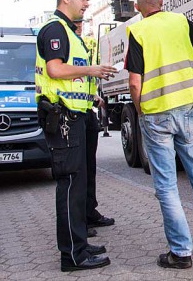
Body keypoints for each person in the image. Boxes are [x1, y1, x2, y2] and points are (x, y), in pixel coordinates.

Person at [125, 0, 193, 269]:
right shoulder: (181, 22)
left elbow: (134, 81)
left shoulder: (138, 31)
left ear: (137, 8)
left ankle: (181, 253)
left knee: (167, 185)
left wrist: (142, 112)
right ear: (162, 0)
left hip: (156, 115)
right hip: (188, 111)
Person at [35, 0, 117, 272]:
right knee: (70, 185)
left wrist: (90, 93)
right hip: (63, 118)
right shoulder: (55, 29)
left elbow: (70, 76)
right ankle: (72, 256)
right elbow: (55, 69)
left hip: (74, 116)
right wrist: (92, 69)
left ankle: (79, 244)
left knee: (77, 183)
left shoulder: (68, 32)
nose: (86, 4)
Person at [73, 19, 116, 233]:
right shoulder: (64, 40)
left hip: (86, 110)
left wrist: (92, 96)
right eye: (77, 22)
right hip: (73, 114)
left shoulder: (78, 43)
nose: (81, 25)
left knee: (89, 168)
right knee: (79, 171)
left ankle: (89, 212)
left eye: (81, 22)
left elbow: (77, 81)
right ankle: (81, 221)